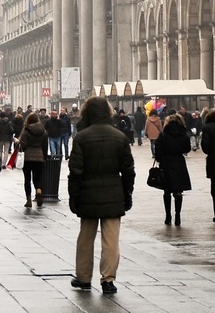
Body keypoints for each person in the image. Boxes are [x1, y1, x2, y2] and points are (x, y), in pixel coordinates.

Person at [68, 96, 136, 295]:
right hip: (113, 193)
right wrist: (127, 192)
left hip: (88, 195)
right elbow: (128, 170)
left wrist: (74, 196)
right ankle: (108, 279)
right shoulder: (119, 137)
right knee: (111, 240)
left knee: (85, 238)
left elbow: (75, 171)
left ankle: (83, 277)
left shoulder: (81, 137)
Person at [155, 112, 192, 225]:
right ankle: (178, 216)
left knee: (167, 191)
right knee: (178, 191)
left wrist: (161, 160)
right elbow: (187, 148)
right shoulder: (183, 134)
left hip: (166, 163)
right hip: (179, 163)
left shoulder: (163, 135)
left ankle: (168, 216)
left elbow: (158, 152)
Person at [18, 111, 48, 208]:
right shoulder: (43, 131)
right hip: (39, 157)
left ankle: (29, 200)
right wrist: (44, 157)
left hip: (27, 158)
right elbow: (45, 146)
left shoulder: (26, 130)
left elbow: (23, 145)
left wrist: (17, 142)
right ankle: (38, 191)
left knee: (27, 179)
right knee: (37, 178)